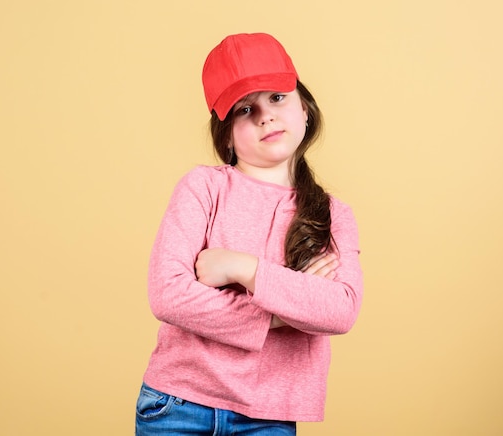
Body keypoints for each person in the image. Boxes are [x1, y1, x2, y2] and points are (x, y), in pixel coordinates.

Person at [136, 32, 364, 435]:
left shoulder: (331, 214)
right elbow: (168, 294)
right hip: (177, 405)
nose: (265, 115)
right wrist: (282, 313)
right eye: (245, 109)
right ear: (225, 133)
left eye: (277, 97)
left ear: (305, 108)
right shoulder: (202, 188)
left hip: (268, 417)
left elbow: (339, 310)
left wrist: (243, 268)